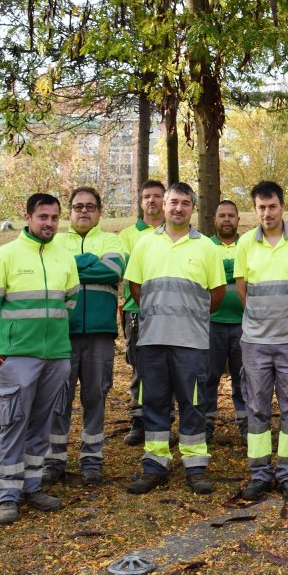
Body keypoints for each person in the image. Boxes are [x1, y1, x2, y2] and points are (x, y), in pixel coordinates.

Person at [0, 193, 79, 524]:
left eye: (53, 217)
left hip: (57, 356)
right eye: (42, 217)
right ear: (28, 217)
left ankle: (33, 486)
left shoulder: (64, 257)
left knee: (42, 423)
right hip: (18, 356)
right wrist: (5, 344)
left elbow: (70, 301)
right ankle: (7, 494)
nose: (48, 223)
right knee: (12, 423)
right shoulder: (5, 256)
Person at [124, 183, 225, 496]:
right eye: (173, 202)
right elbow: (135, 287)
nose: (178, 208)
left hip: (192, 343)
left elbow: (217, 293)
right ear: (163, 206)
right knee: (154, 402)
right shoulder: (144, 244)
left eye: (184, 203)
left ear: (192, 208)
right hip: (153, 340)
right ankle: (156, 465)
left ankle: (195, 467)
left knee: (193, 403)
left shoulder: (207, 247)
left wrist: (190, 318)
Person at [236, 181, 288, 503]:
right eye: (261, 208)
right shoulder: (245, 243)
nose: (267, 213)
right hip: (255, 343)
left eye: (272, 207)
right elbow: (242, 290)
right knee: (256, 408)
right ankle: (259, 474)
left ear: (282, 207)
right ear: (255, 210)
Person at [47, 187, 126, 487]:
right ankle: (54, 460)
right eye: (78, 206)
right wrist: (87, 263)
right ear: (69, 211)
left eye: (90, 207)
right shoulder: (55, 240)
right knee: (58, 398)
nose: (84, 211)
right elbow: (52, 272)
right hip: (60, 334)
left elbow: (112, 270)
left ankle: (92, 459)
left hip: (99, 335)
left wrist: (70, 266)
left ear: (99, 212)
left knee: (96, 396)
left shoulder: (112, 240)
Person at [119, 180, 166, 445]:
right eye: (147, 196)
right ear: (140, 202)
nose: (152, 201)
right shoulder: (127, 235)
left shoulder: (173, 232)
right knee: (139, 364)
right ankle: (138, 420)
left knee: (165, 364)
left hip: (167, 310)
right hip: (135, 308)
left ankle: (163, 418)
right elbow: (131, 268)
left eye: (157, 196)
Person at [207, 200, 246, 443]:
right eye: (222, 215)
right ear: (215, 219)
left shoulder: (248, 244)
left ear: (238, 219)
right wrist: (233, 271)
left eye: (231, 215)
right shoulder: (204, 246)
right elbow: (206, 275)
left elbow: (249, 273)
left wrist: (221, 271)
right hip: (211, 322)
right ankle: (206, 425)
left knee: (245, 377)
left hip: (244, 323)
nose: (227, 219)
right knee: (208, 376)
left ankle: (247, 425)